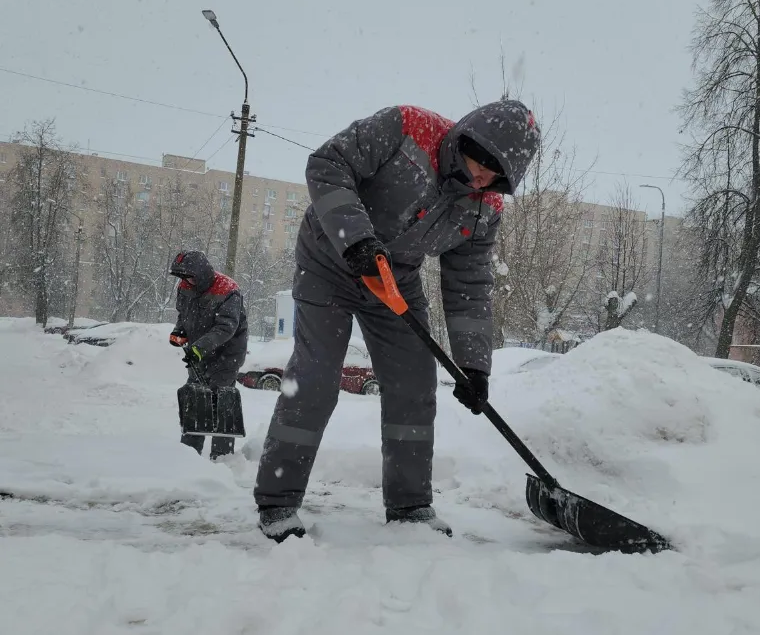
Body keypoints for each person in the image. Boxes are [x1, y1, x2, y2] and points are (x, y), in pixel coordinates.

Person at [253, 99, 541, 542]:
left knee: (415, 383)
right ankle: (278, 502)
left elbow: (468, 284)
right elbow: (327, 165)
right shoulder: (408, 128)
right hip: (330, 259)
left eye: (499, 176)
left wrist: (476, 367)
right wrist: (356, 239)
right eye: (483, 163)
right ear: (467, 138)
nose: (485, 179)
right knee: (315, 378)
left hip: (395, 278)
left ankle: (410, 506)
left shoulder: (485, 207)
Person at [168, 249, 249, 460]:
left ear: (202, 272)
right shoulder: (186, 287)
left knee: (221, 400)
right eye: (183, 277)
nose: (186, 281)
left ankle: (222, 458)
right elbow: (184, 315)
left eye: (190, 276)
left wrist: (199, 348)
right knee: (195, 396)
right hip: (199, 352)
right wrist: (180, 331)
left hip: (227, 354)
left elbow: (226, 328)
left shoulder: (228, 290)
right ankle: (189, 454)